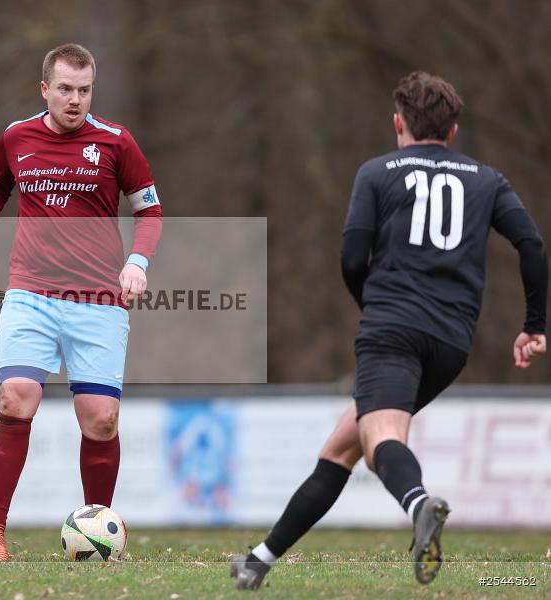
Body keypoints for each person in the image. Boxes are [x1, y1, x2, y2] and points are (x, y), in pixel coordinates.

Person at [230, 71, 547, 589]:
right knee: (342, 447)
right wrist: (534, 325)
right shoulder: (487, 179)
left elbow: (352, 256)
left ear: (398, 123)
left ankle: (420, 504)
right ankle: (259, 560)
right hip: (451, 342)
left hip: (392, 330)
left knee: (380, 440)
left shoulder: (377, 173)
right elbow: (531, 246)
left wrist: (373, 306)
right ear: (454, 130)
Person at [0, 43, 163, 562]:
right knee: (15, 397)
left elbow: (150, 212)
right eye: (65, 89)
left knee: (101, 419)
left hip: (98, 302)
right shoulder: (16, 138)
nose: (75, 99)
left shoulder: (116, 142)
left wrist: (138, 262)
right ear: (44, 88)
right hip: (31, 294)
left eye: (84, 89)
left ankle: (98, 533)